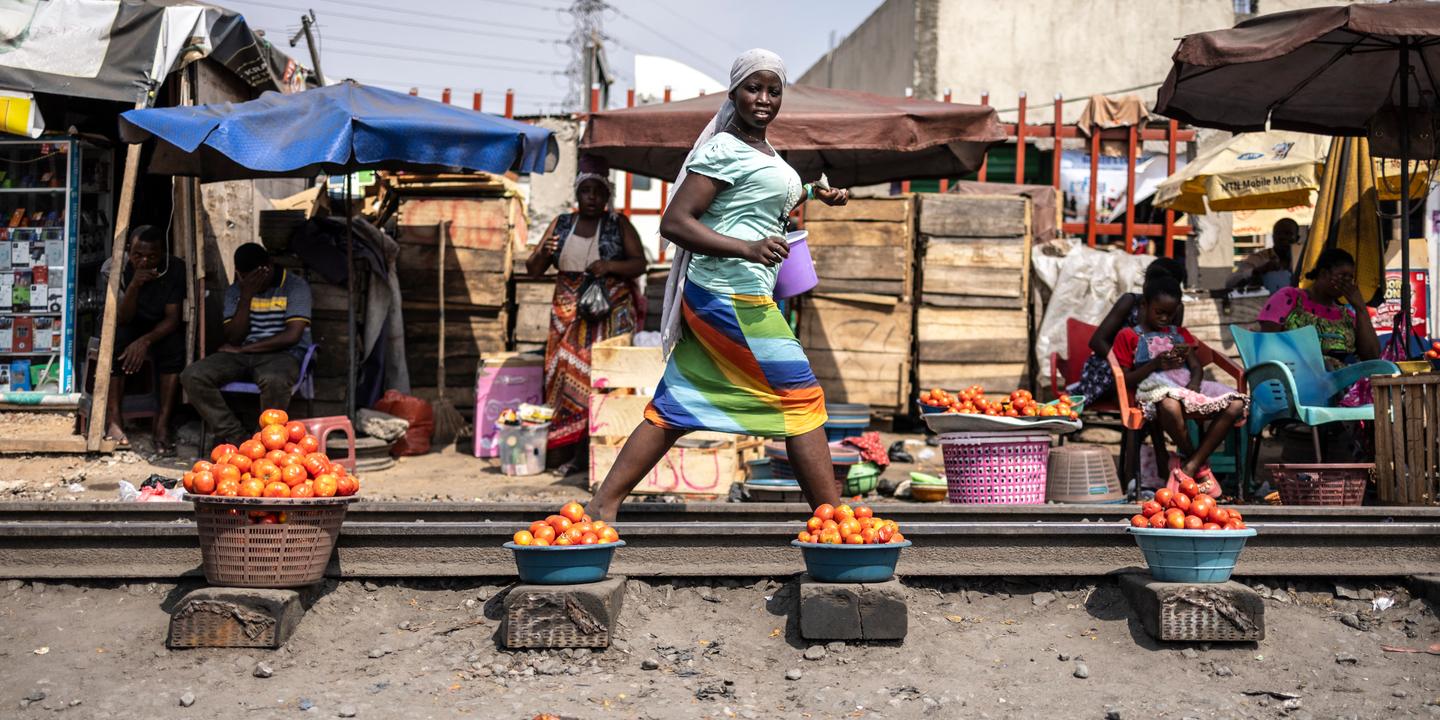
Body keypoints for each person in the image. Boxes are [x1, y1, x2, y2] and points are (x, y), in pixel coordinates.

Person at [585, 49, 851, 522]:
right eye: (753, 88)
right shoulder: (723, 148)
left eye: (773, 90)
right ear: (734, 93)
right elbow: (674, 223)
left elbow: (753, 200)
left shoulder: (761, 151)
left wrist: (813, 193)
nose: (764, 99)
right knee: (801, 397)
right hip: (729, 294)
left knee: (676, 403)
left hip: (733, 292)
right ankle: (832, 521)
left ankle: (601, 507)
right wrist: (746, 249)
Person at [527, 156, 646, 470]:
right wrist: (545, 252)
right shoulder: (561, 224)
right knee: (561, 375)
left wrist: (609, 266)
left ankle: (601, 447)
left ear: (607, 196)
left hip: (608, 313)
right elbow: (534, 269)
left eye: (598, 191)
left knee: (604, 377)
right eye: (586, 191)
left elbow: (639, 264)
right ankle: (566, 448)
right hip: (567, 312)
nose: (591, 197)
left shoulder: (618, 224)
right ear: (577, 194)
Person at [1114, 276, 1249, 494]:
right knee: (1169, 405)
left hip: (1186, 386)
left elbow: (1196, 367)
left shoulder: (1179, 334)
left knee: (1235, 403)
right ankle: (1199, 464)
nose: (1165, 319)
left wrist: (1194, 384)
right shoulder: (1128, 336)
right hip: (1154, 388)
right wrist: (1155, 363)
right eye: (1160, 312)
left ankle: (1190, 465)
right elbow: (1125, 379)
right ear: (1144, 305)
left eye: (1171, 313)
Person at [180, 243, 312, 445]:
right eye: (245, 277)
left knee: (274, 379)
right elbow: (233, 337)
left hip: (283, 353)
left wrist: (244, 349)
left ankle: (266, 442)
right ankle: (238, 439)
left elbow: (291, 336)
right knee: (193, 375)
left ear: (267, 267)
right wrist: (246, 296)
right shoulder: (237, 291)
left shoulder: (295, 286)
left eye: (257, 276)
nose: (251, 281)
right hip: (242, 353)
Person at [1257, 247, 1381, 406]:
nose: (1347, 283)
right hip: (1293, 382)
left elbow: (1372, 356)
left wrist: (1361, 309)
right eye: (1342, 276)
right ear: (1323, 274)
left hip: (1341, 384)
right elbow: (1266, 342)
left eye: (1350, 278)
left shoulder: (1347, 315)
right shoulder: (1290, 298)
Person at [102, 225, 185, 454]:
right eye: (138, 255)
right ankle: (115, 420)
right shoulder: (114, 267)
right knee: (115, 344)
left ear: (162, 254)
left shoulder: (174, 268)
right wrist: (135, 284)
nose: (145, 261)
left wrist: (144, 341)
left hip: (158, 326)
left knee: (174, 348)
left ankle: (162, 425)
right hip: (127, 323)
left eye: (152, 256)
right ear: (129, 250)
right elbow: (122, 317)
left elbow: (172, 318)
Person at [1071, 257, 1188, 404]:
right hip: (1113, 365)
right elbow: (1097, 341)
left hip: (1152, 369)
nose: (1147, 286)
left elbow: (1172, 340)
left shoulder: (1176, 309)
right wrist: (1126, 363)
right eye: (1147, 281)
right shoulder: (1131, 301)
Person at [1226, 218, 1299, 292]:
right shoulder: (1259, 258)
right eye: (1278, 233)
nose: (1283, 237)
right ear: (1273, 236)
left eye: (1288, 234)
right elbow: (1230, 282)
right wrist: (1258, 271)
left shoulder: (1303, 260)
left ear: (1297, 238)